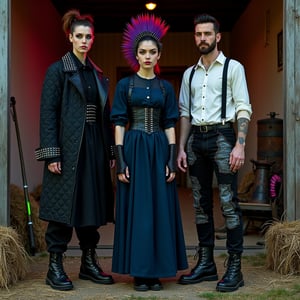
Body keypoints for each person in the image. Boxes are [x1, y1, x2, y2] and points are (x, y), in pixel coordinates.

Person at [35, 9, 115, 291]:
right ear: (70, 37)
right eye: (78, 36)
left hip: (94, 145)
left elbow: (105, 116)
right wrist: (51, 152)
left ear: (93, 40)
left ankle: (88, 262)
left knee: (90, 204)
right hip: (67, 149)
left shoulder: (96, 73)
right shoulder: (58, 70)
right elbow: (48, 112)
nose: (83, 41)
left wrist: (110, 153)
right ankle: (54, 266)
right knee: (63, 207)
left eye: (88, 37)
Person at [110, 14, 188, 292]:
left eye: (152, 52)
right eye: (142, 52)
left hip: (158, 150)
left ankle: (156, 272)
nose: (147, 56)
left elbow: (169, 123)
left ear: (159, 55)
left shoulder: (166, 88)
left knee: (159, 210)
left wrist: (170, 158)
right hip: (133, 148)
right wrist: (120, 161)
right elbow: (119, 123)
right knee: (138, 211)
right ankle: (138, 273)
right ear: (136, 55)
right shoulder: (124, 86)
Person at [177, 14, 252, 292]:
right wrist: (182, 148)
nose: (202, 39)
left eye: (207, 34)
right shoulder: (189, 74)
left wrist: (240, 144)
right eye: (198, 34)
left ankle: (235, 267)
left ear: (218, 36)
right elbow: (185, 114)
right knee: (200, 203)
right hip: (196, 139)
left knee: (228, 202)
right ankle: (206, 263)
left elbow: (243, 107)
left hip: (223, 137)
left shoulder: (233, 68)